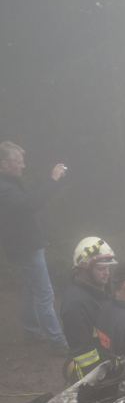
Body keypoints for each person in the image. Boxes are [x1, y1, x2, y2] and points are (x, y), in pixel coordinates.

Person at [0, 141, 68, 356]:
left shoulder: (10, 182)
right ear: (4, 164)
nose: (23, 166)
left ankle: (30, 332)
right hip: (26, 249)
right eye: (19, 162)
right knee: (45, 295)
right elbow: (31, 204)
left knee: (31, 289)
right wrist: (53, 180)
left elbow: (27, 203)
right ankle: (58, 342)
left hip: (27, 246)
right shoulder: (4, 189)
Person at [60, 237, 117, 384]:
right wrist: (102, 380)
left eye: (108, 268)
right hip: (92, 373)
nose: (107, 273)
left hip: (109, 358)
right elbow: (83, 354)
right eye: (101, 268)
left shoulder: (98, 288)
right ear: (85, 269)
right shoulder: (75, 304)